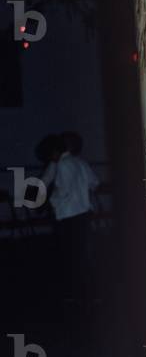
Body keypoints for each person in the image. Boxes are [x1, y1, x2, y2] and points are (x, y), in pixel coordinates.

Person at [41, 131, 99, 309]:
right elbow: (94, 182)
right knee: (83, 256)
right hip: (83, 214)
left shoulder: (62, 165)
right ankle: (88, 294)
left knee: (71, 256)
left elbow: (62, 190)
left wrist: (50, 202)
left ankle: (76, 295)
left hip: (69, 216)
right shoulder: (80, 162)